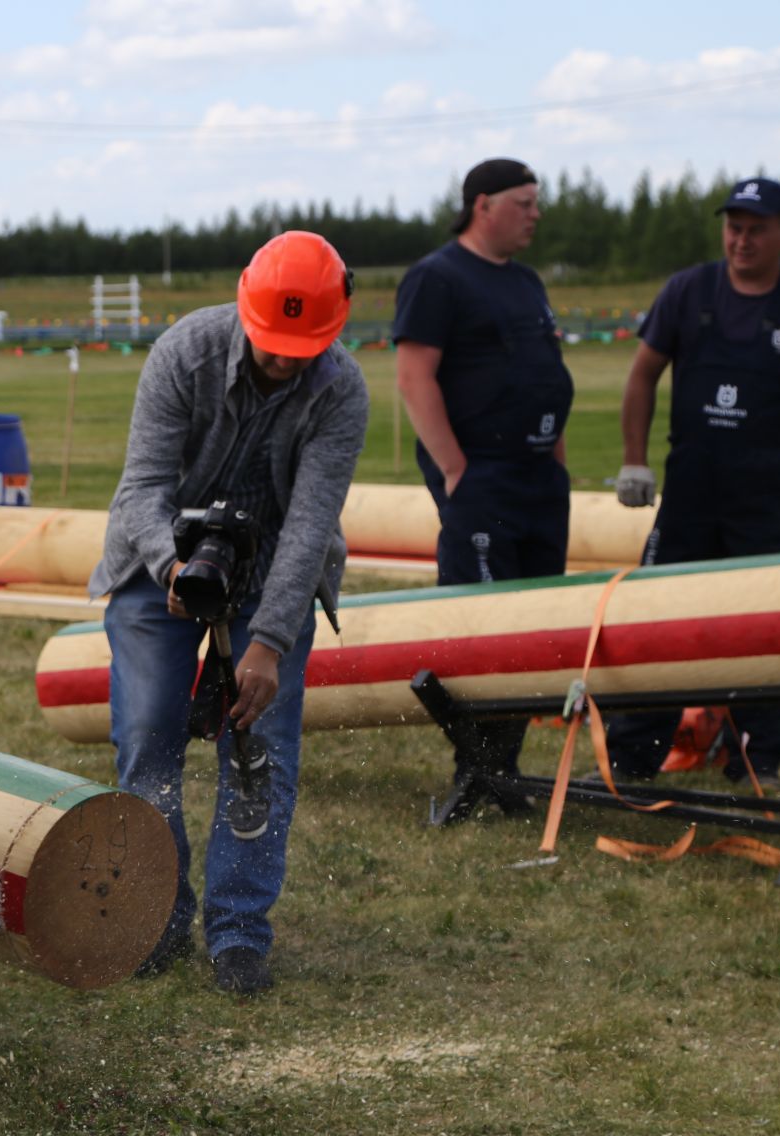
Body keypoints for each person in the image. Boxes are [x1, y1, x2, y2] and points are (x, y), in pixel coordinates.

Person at [88, 231, 367, 994]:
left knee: (259, 751)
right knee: (148, 732)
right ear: (245, 308)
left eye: (300, 347)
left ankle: (239, 932)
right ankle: (159, 915)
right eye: (272, 343)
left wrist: (269, 642)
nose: (282, 360)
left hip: (277, 567)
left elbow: (311, 526)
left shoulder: (341, 392)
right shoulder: (186, 353)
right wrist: (170, 563)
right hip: (160, 558)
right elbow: (142, 485)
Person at [606, 177, 780, 783]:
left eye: (756, 229)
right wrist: (634, 459)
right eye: (733, 228)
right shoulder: (688, 290)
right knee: (657, 618)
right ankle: (634, 757)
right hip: (691, 487)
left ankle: (756, 756)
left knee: (773, 623)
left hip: (770, 491)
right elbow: (642, 376)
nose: (742, 241)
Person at [392, 157, 573, 797]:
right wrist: (454, 468)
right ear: (483, 205)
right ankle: (477, 761)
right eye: (525, 202)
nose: (536, 213)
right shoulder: (438, 278)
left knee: (535, 617)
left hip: (538, 476)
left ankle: (503, 762)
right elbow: (414, 376)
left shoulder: (525, 281)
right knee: (482, 619)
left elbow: (544, 371)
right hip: (482, 478)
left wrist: (556, 455)